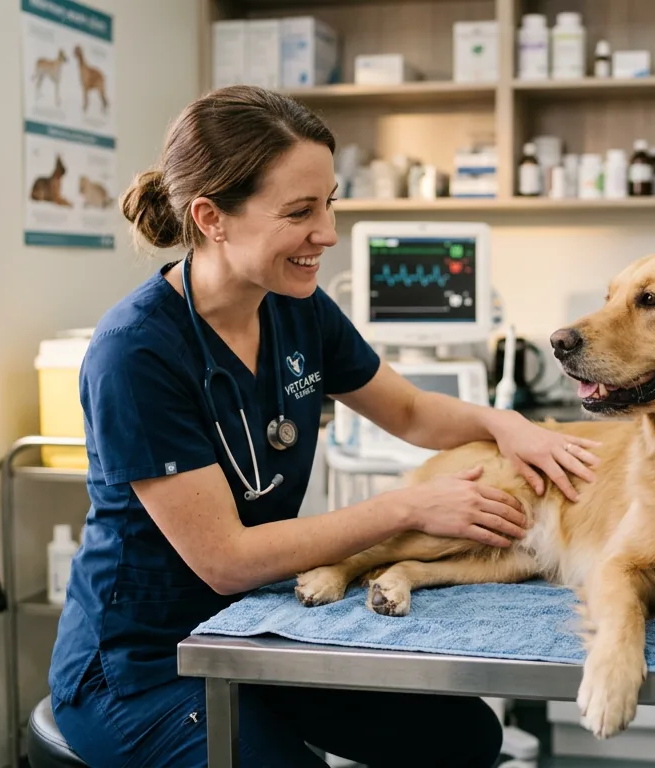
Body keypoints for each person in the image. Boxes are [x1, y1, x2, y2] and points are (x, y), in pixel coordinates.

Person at [47, 85, 602, 768]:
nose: (328, 234)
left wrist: (506, 422)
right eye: (300, 212)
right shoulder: (136, 353)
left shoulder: (295, 307)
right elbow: (225, 559)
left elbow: (408, 411)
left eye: (330, 202)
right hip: (143, 664)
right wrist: (408, 507)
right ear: (211, 217)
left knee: (462, 738)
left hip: (253, 627)